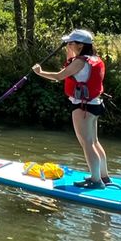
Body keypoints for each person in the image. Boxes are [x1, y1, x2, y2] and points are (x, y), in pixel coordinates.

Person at [32, 29, 111, 189]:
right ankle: (103, 176)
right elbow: (70, 64)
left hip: (82, 107)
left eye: (71, 43)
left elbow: (59, 76)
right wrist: (69, 48)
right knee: (93, 142)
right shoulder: (93, 59)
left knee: (87, 143)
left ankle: (96, 180)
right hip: (93, 104)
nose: (68, 44)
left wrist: (39, 72)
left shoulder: (80, 62)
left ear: (81, 45)